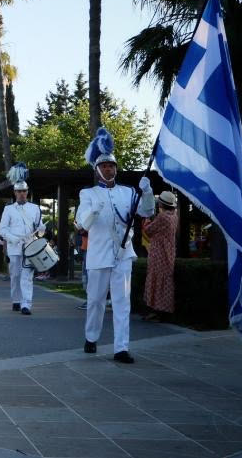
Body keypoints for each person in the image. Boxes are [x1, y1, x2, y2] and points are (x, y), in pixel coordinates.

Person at [77, 128, 155, 364]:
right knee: (96, 300)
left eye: (111, 166)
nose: (108, 169)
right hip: (99, 255)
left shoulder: (129, 192)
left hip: (122, 254)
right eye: (104, 166)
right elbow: (82, 224)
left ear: (115, 168)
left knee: (122, 303)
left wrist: (148, 192)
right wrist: (94, 209)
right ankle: (91, 337)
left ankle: (121, 347)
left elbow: (147, 211)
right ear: (97, 170)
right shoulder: (87, 193)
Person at [0, 163, 45, 315]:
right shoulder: (8, 209)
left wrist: (40, 233)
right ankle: (16, 300)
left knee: (27, 276)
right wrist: (12, 239)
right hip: (14, 247)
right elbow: (2, 229)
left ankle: (26, 304)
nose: (21, 194)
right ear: (14, 192)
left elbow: (41, 227)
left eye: (24, 191)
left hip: (30, 247)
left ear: (27, 192)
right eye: (19, 191)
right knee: (16, 275)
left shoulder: (35, 208)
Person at [142, 190, 178, 321]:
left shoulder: (162, 217)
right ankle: (163, 310)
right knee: (165, 280)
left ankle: (156, 310)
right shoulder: (174, 215)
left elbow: (148, 231)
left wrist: (146, 220)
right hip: (169, 250)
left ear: (161, 204)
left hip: (158, 252)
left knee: (155, 279)